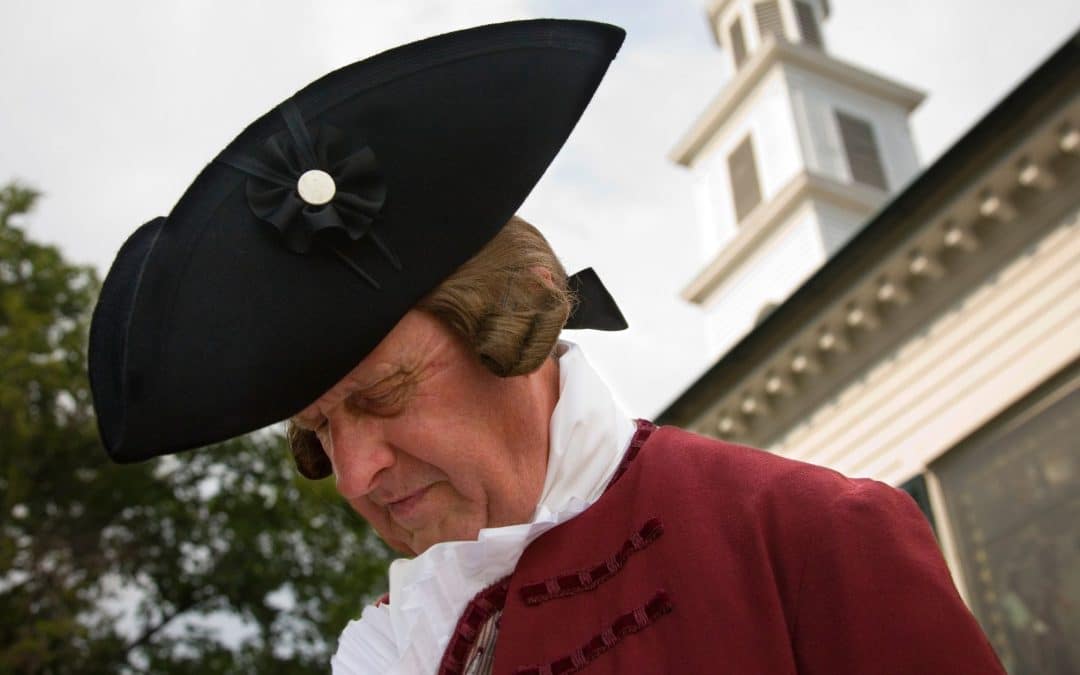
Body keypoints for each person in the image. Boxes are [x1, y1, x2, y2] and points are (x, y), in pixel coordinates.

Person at [88, 19, 1006, 674]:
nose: (358, 472)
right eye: (323, 430)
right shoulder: (395, 643)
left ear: (509, 331)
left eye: (387, 390)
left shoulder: (803, 539)